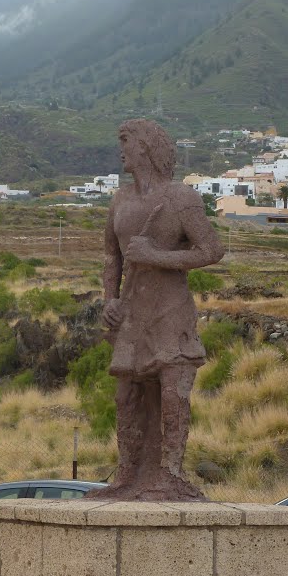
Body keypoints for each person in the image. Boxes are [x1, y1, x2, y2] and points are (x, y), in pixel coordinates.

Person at [98, 118, 224, 500]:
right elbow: (111, 257)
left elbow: (211, 250)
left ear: (146, 147)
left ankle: (169, 472)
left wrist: (157, 256)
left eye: (125, 141)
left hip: (170, 311)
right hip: (132, 315)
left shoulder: (179, 197)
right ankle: (127, 473)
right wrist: (109, 300)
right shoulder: (119, 200)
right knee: (126, 395)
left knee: (173, 392)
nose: (120, 150)